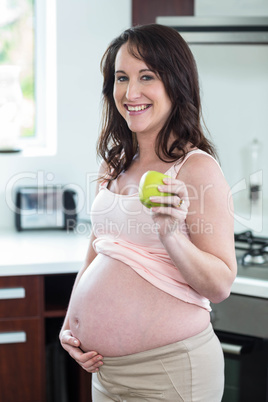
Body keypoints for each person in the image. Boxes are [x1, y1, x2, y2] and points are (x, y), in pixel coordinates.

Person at [60, 24, 237, 401]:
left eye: (147, 77)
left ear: (175, 84)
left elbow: (220, 284)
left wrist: (170, 233)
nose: (131, 92)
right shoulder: (115, 164)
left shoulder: (195, 168)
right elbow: (99, 247)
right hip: (106, 373)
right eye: (121, 78)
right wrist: (70, 323)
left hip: (169, 373)